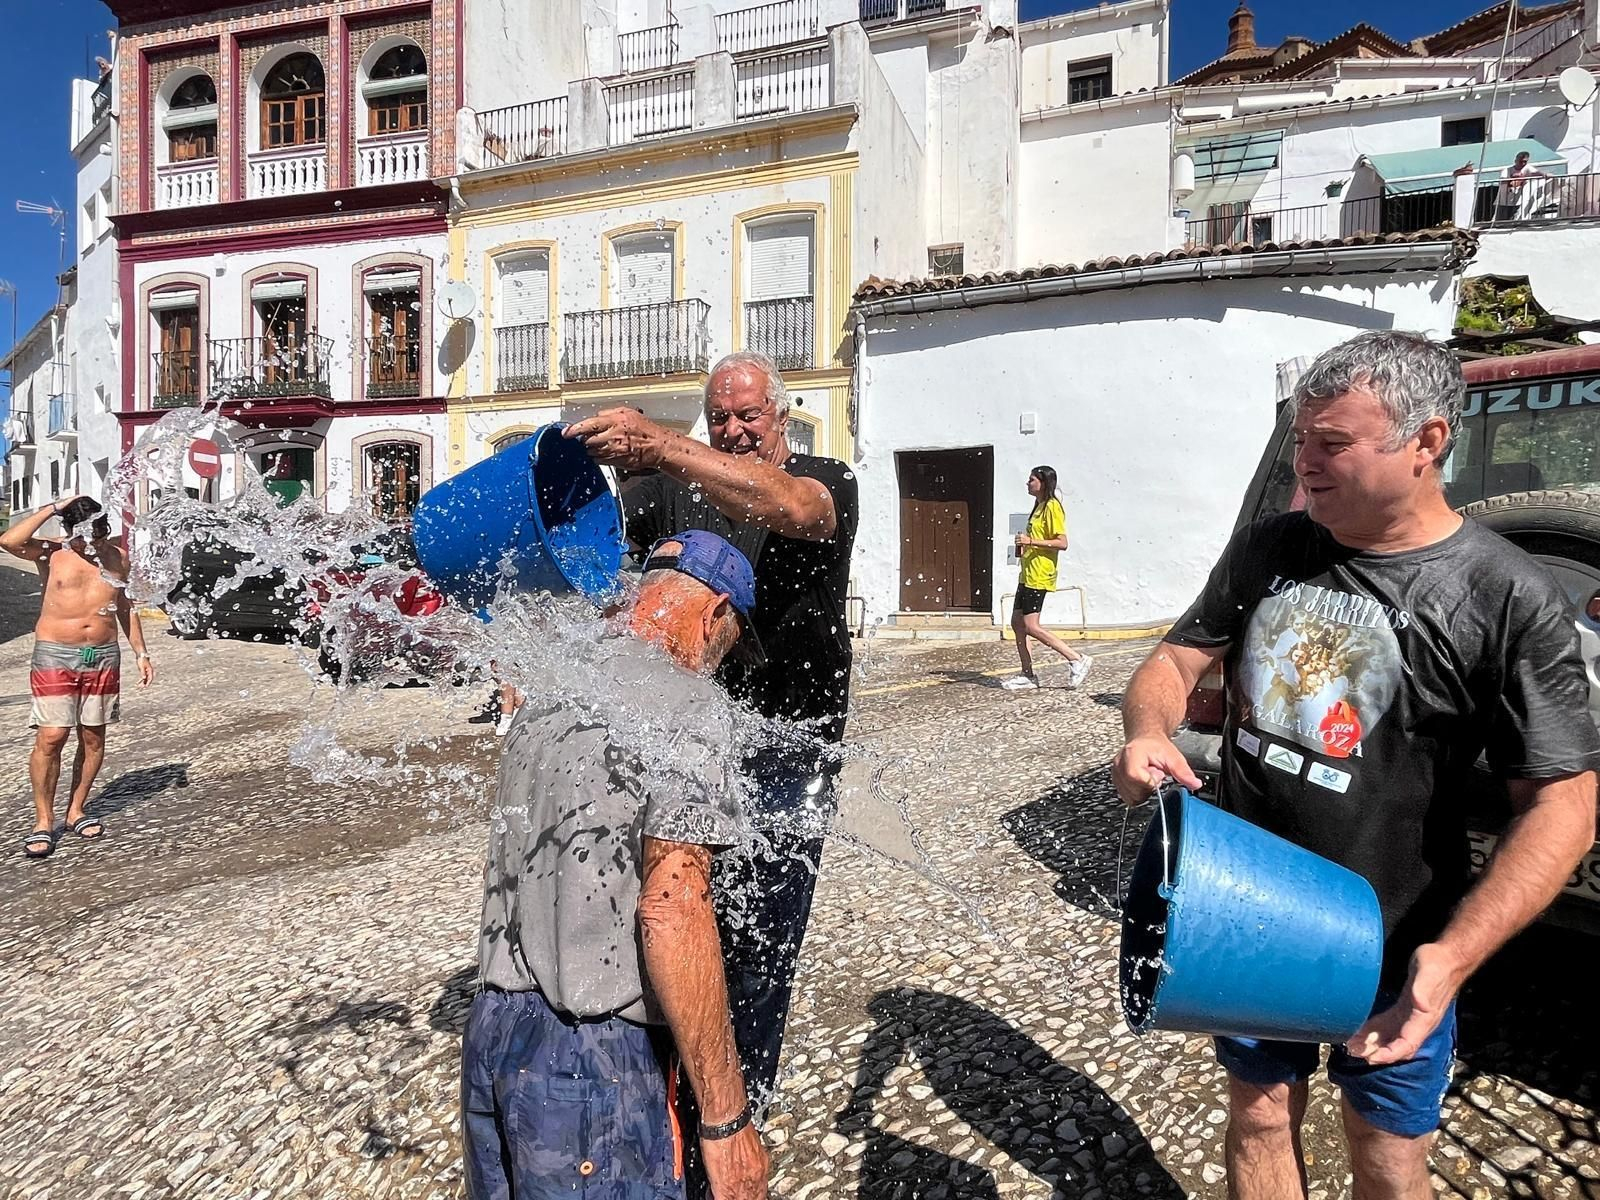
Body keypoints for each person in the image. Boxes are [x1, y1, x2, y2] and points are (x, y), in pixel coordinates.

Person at [1112, 331, 1599, 1200]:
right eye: (1300, 442)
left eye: (1332, 444)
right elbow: (1176, 660)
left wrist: (1453, 956)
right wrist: (1147, 729)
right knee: (1259, 1114)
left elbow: (1564, 805)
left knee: (1384, 1147)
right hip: (1244, 906)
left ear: (1428, 442)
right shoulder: (1273, 546)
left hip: (1397, 940)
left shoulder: (1507, 596)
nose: (1305, 466)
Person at [564, 351, 858, 1102]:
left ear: (780, 415)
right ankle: (677, 1096)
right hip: (693, 742)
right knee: (677, 921)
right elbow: (612, 582)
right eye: (718, 416)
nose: (731, 430)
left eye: (747, 415)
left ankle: (733, 1118)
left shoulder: (828, 479)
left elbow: (791, 507)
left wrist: (662, 444)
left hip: (794, 749)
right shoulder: (673, 490)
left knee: (762, 941)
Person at [462, 533, 768, 1200]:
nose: (718, 668)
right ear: (713, 613)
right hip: (591, 1068)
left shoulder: (553, 689)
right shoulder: (688, 706)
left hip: (493, 1032)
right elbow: (673, 905)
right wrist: (725, 1119)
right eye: (728, 646)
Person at [2, 495, 155, 860]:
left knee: (93, 737)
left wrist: (141, 652)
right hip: (56, 654)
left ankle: (76, 810)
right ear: (70, 530)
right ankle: (43, 820)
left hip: (102, 656)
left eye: (99, 534)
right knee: (52, 736)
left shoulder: (116, 557)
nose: (93, 544)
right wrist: (53, 509)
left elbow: (125, 606)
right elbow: (7, 541)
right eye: (86, 536)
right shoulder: (50, 552)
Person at [1001, 465, 1092, 691]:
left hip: (1040, 574)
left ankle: (1076, 659)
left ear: (1043, 482)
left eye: (1031, 479)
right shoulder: (1038, 506)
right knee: (1017, 624)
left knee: (1031, 626)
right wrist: (1023, 544)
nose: (1028, 483)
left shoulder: (1052, 507)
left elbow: (1062, 542)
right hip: (1027, 573)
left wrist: (1032, 542)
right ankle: (1028, 675)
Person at [1494, 150, 1548, 222]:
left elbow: (1536, 172)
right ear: (1515, 160)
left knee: (1512, 222)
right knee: (1499, 222)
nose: (1523, 163)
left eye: (1525, 161)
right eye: (1520, 161)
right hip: (1503, 202)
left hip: (1516, 203)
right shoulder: (1507, 170)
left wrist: (1544, 175)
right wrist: (1516, 180)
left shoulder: (1527, 168)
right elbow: (1503, 181)